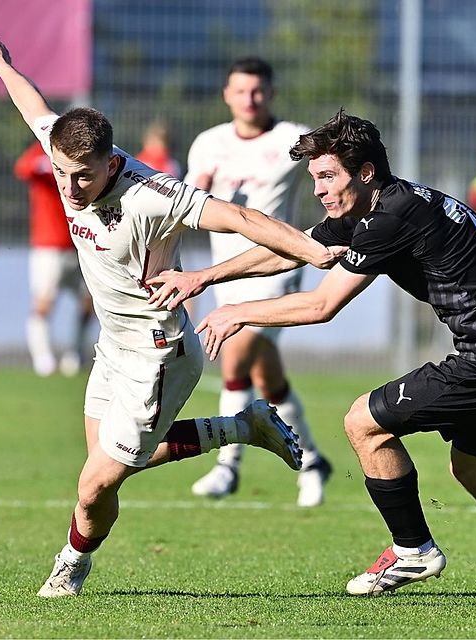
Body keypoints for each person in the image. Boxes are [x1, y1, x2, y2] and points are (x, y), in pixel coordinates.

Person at [149, 109, 476, 608]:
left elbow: (321, 305)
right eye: (314, 178)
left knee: (363, 422)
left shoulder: (390, 219)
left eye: (327, 176)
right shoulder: (384, 205)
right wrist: (205, 277)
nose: (318, 189)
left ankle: (413, 550)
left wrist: (239, 312)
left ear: (366, 172)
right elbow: (298, 248)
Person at [0, 27, 344, 598]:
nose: (70, 187)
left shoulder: (152, 194)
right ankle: (243, 426)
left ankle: (69, 566)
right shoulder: (64, 148)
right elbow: (35, 106)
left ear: (111, 163)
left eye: (84, 176)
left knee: (96, 484)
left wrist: (312, 250)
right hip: (112, 345)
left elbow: (242, 220)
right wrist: (1, 65)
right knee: (111, 462)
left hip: (159, 351)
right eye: (63, 173)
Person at [184, 56, 333, 507]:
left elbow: (332, 163)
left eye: (258, 91)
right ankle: (312, 461)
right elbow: (188, 202)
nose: (250, 99)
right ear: (227, 95)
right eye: (241, 91)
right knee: (268, 379)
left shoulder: (289, 139)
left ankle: (227, 466)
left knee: (235, 357)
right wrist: (200, 185)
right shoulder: (208, 143)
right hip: (226, 274)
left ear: (270, 93)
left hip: (275, 268)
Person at [15, 140, 94, 377]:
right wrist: (53, 165)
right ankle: (43, 360)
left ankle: (74, 354)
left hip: (78, 244)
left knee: (89, 302)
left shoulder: (78, 155)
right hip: (48, 246)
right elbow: (23, 169)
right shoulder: (39, 153)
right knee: (43, 303)